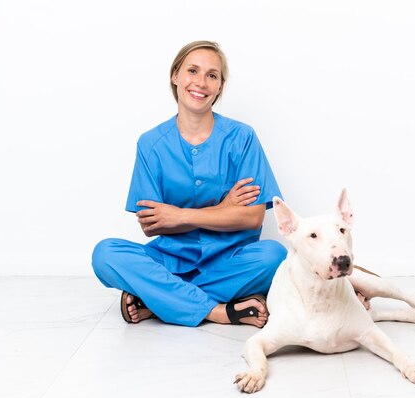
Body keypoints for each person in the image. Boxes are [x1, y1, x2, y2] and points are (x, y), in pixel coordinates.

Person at [91, 40, 287, 328]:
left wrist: (179, 215)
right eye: (192, 71)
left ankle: (158, 301)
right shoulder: (151, 144)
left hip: (231, 260)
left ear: (220, 86)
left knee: (275, 256)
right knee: (105, 254)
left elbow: (252, 217)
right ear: (175, 76)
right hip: (168, 261)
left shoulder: (242, 138)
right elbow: (151, 225)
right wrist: (223, 210)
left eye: (212, 75)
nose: (201, 82)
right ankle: (218, 311)